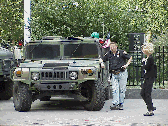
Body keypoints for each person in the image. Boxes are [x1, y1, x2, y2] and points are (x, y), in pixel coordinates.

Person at [100, 41, 132, 110]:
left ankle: (121, 103)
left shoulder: (121, 52)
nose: (112, 48)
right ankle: (115, 103)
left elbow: (130, 57)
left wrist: (126, 65)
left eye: (113, 47)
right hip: (113, 73)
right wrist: (102, 63)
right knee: (114, 89)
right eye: (111, 47)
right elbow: (101, 58)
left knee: (122, 89)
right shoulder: (109, 53)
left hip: (122, 73)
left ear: (116, 47)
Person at [141, 43, 157, 116]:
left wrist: (143, 62)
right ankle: (151, 106)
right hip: (147, 77)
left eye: (144, 49)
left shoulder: (150, 58)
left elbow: (146, 67)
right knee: (142, 93)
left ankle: (150, 110)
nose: (143, 50)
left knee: (147, 93)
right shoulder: (148, 58)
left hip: (150, 77)